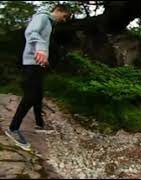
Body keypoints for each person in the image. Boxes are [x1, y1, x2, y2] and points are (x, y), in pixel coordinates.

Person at [5, 4, 72, 151]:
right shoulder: (42, 17)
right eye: (65, 16)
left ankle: (39, 124)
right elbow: (31, 32)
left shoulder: (48, 22)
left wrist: (44, 57)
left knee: (38, 94)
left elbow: (41, 40)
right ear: (58, 10)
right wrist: (41, 50)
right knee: (30, 95)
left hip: (38, 62)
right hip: (31, 62)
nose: (65, 20)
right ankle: (13, 128)